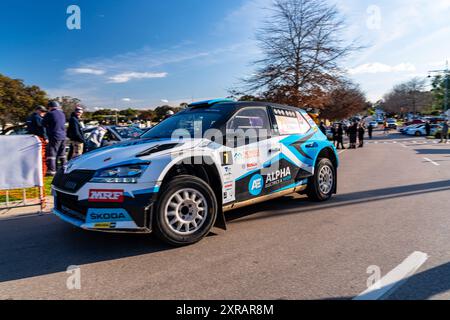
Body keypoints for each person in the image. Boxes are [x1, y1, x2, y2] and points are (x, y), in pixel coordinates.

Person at [42, 101, 67, 176]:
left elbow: (43, 123)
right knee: (62, 154)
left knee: (52, 153)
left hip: (54, 136)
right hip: (63, 136)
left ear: (50, 107)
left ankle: (52, 171)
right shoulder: (62, 114)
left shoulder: (50, 114)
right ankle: (64, 169)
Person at [26, 106, 48, 176]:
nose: (43, 113)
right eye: (42, 111)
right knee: (41, 156)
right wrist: (45, 138)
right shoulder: (37, 117)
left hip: (31, 138)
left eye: (44, 112)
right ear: (37, 110)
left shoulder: (29, 117)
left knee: (32, 156)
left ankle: (32, 171)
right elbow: (42, 128)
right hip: (39, 138)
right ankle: (41, 172)